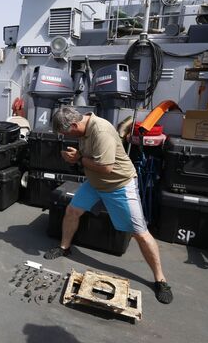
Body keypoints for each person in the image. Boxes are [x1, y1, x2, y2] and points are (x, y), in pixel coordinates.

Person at [44, 106, 173, 304]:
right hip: (95, 183)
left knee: (140, 232)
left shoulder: (101, 131)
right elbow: (92, 158)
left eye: (65, 132)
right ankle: (64, 247)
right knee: (72, 211)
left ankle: (160, 280)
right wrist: (77, 156)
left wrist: (79, 158)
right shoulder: (83, 129)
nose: (64, 136)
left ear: (75, 124)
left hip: (118, 185)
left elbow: (106, 168)